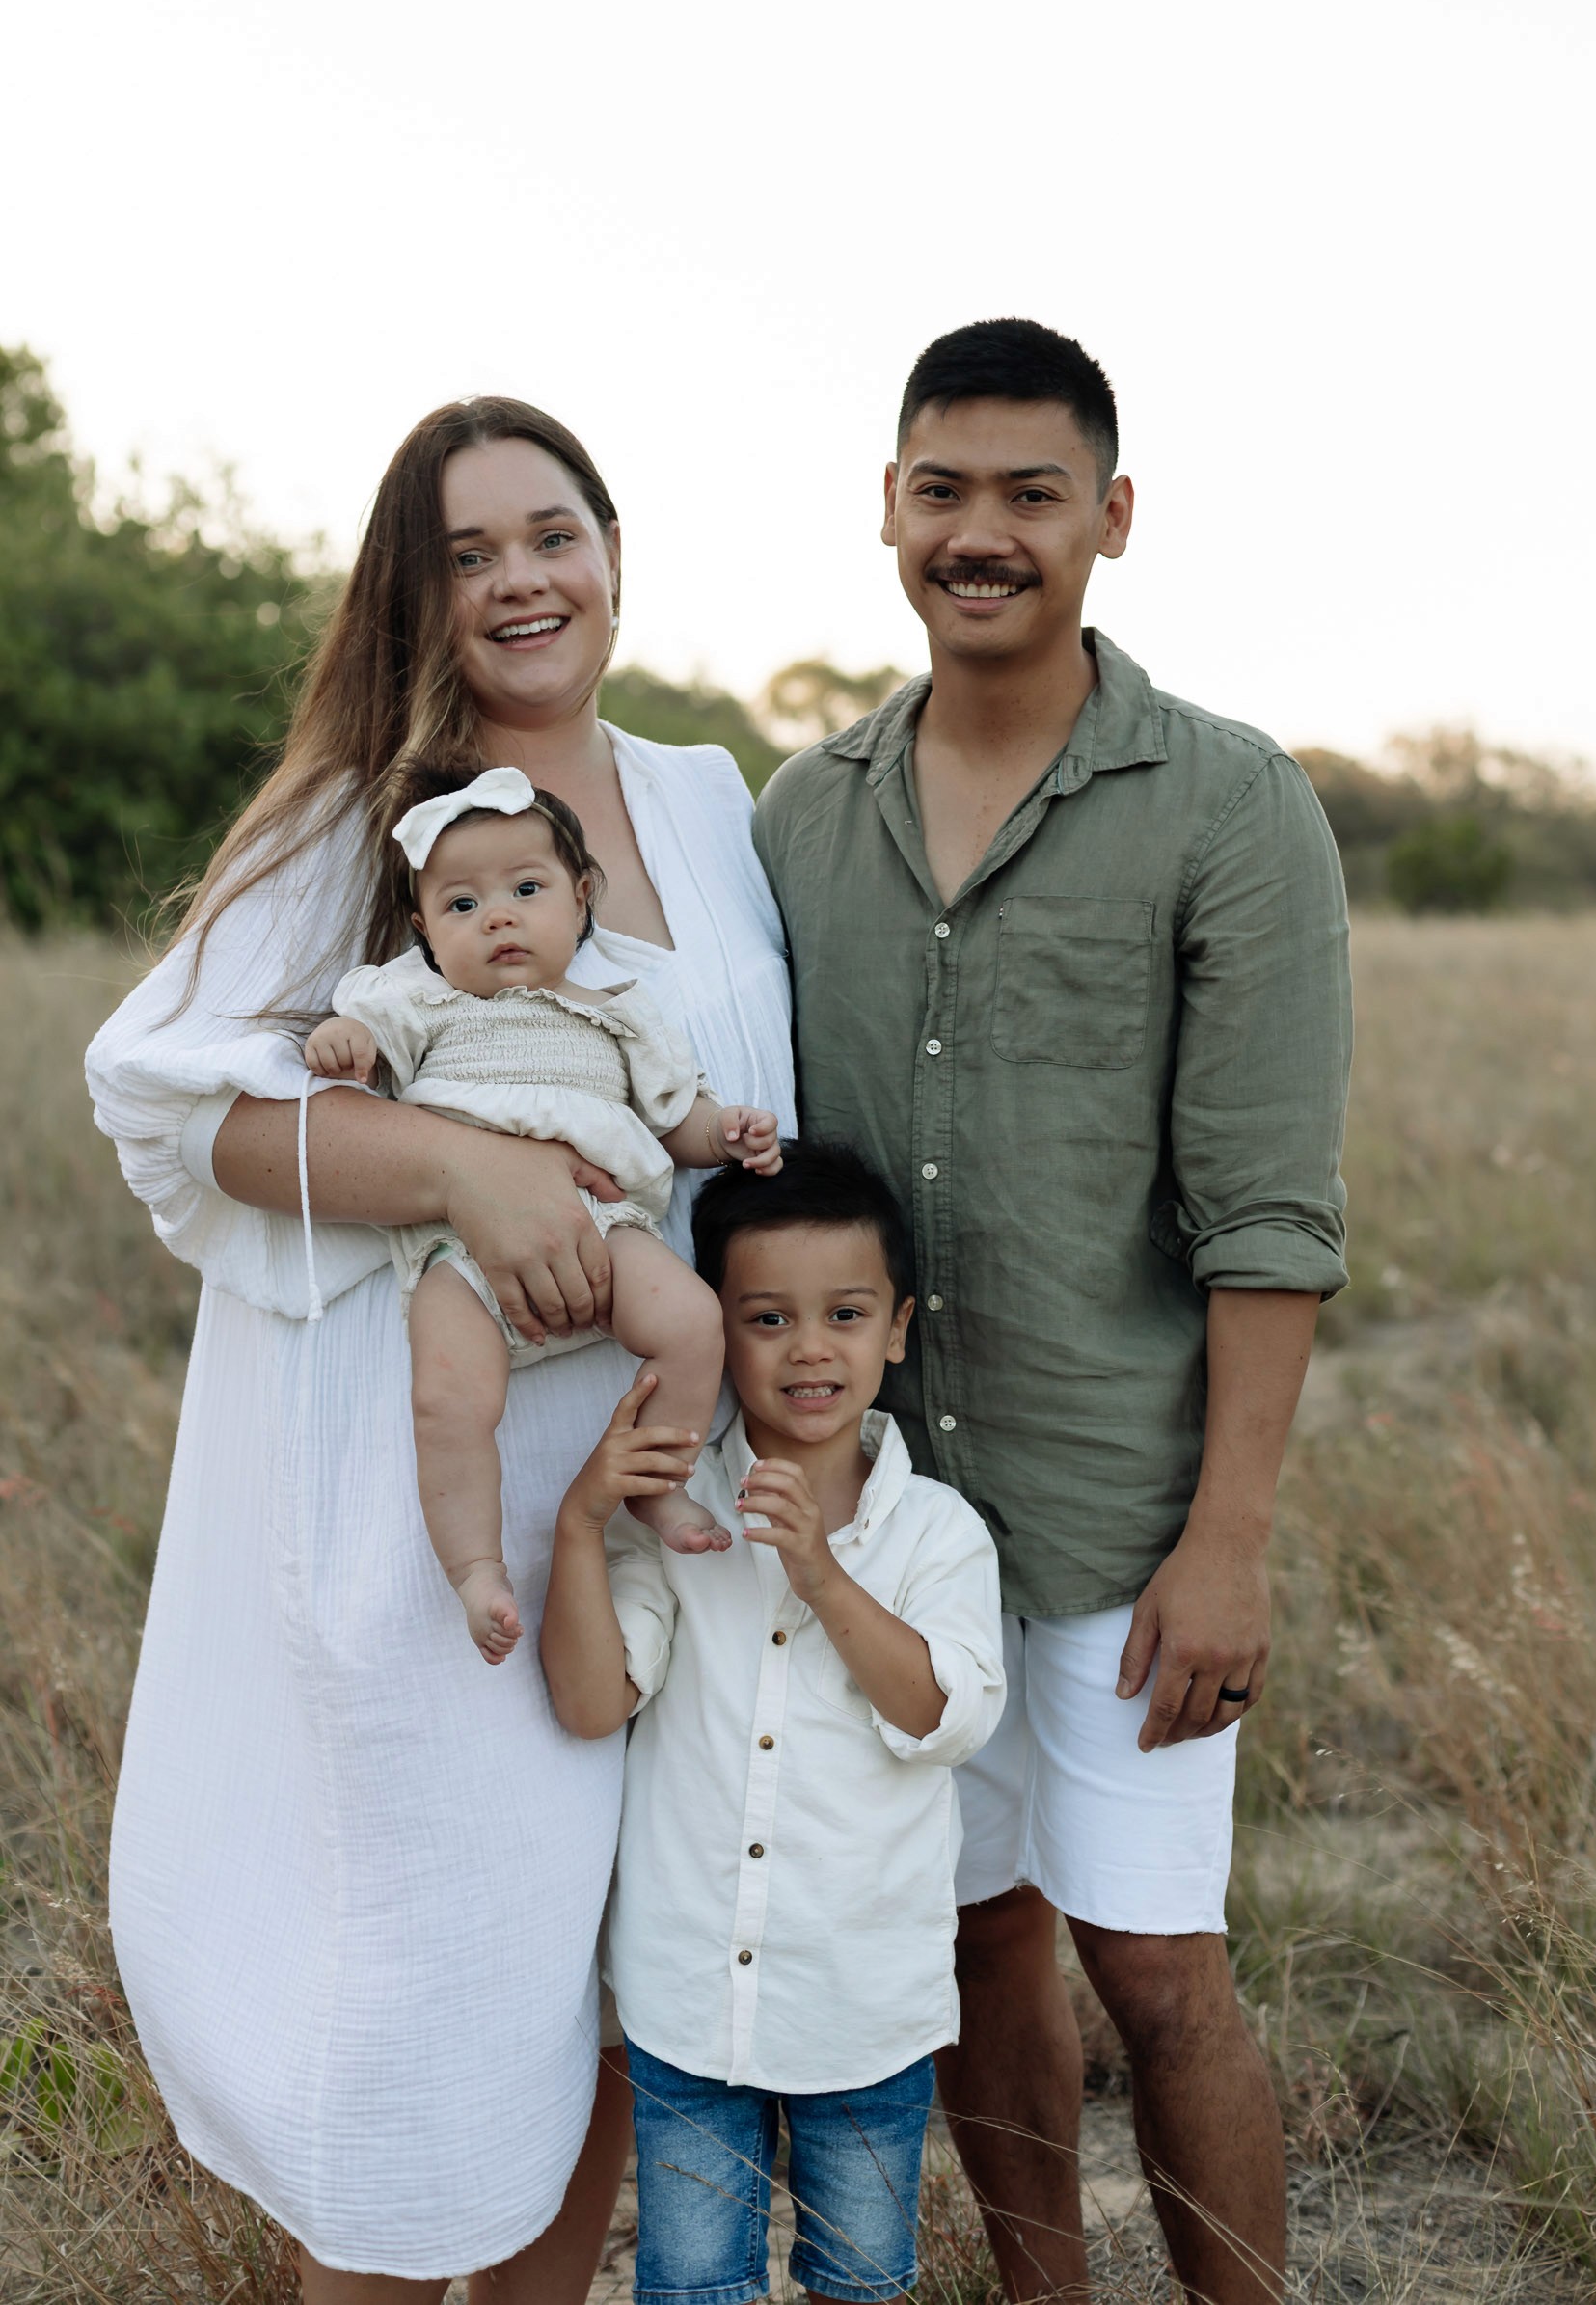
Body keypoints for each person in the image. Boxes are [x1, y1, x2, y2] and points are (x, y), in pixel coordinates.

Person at [85, 398, 795, 2302]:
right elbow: (176, 1110)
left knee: (607, 2015)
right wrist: (465, 1169)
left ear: (614, 549)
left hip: (669, 1499)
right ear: (416, 593)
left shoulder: (710, 792)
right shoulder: (365, 824)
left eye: (548, 531)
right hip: (435, 1525)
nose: (519, 579)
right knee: (422, 2023)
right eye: (468, 552)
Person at [751, 319, 1352, 2305]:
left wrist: (1228, 1540)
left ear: (1108, 516)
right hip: (899, 1508)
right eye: (941, 490)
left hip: (1119, 1516)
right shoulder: (798, 817)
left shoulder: (1223, 804)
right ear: (887, 512)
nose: (978, 532)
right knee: (973, 1936)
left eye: (1026, 492)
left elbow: (1266, 1209)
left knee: (1156, 1964)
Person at [541, 1142, 1005, 2305]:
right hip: (688, 1994)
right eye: (766, 1317)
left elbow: (944, 1716)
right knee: (691, 2283)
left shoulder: (936, 1532)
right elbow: (595, 1701)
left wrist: (823, 1576)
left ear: (896, 1329)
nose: (809, 1348)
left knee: (862, 2280)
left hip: (862, 2003)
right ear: (717, 1333)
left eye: (844, 1313)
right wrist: (580, 1525)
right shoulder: (678, 1513)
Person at [305, 765, 783, 1656]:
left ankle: (658, 1482)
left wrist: (730, 1133)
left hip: (606, 1228)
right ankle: (475, 1566)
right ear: (422, 930)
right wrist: (347, 1042)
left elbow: (677, 1115)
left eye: (527, 890)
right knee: (448, 1400)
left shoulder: (616, 1014)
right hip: (460, 1248)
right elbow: (369, 1040)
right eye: (460, 905)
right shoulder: (420, 999)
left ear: (581, 897)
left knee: (689, 1321)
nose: (497, 916)